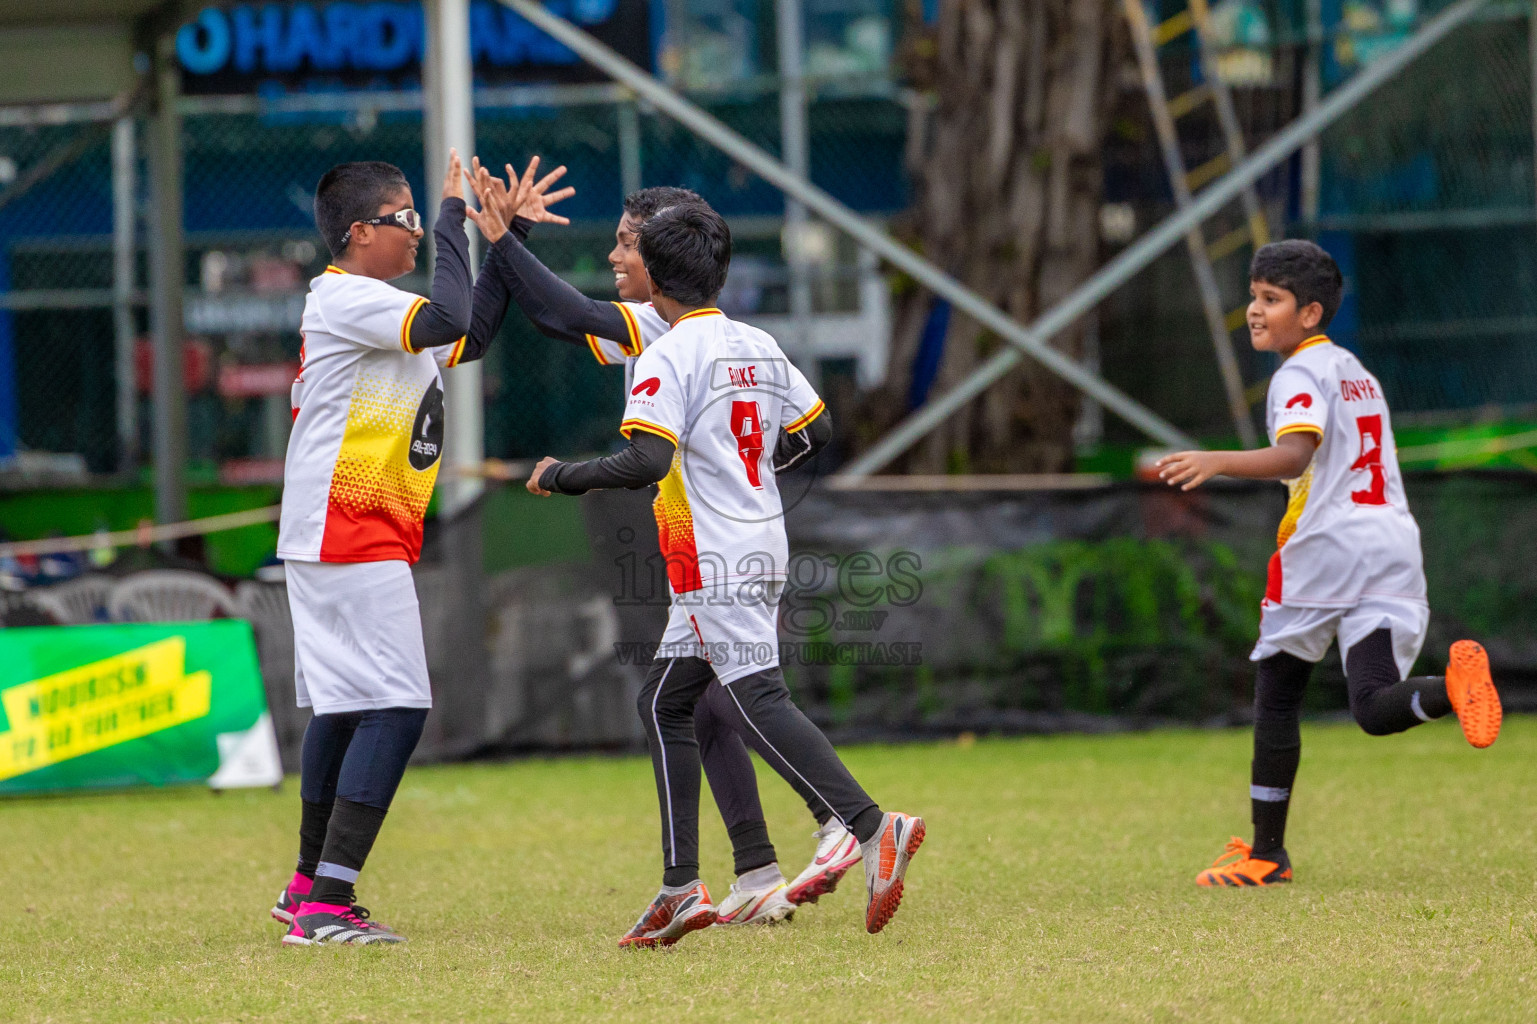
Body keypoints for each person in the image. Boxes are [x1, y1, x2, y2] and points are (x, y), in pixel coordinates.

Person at [523, 202, 924, 947]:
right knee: (668, 705)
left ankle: (869, 825)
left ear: (658, 278)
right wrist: (744, 478)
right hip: (756, 538)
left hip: (710, 553)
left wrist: (562, 476)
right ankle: (682, 887)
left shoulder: (669, 352)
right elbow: (815, 429)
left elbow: (647, 459)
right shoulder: (756, 341)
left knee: (753, 696)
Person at [471, 159, 858, 925]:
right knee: (692, 700)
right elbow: (810, 435)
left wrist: (502, 237)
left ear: (664, 256)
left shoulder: (667, 324)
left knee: (733, 696)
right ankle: (750, 871)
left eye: (626, 242)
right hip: (723, 535)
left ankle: (848, 822)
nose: (616, 256)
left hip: (715, 540)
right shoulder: (708, 327)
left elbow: (560, 312)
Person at [1155, 239, 1501, 887]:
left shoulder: (1295, 374)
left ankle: (1266, 855)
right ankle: (1449, 690)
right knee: (1371, 706)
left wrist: (1214, 461)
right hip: (1392, 543)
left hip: (1326, 548)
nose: (1253, 311)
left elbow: (1293, 457)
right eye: (1252, 296)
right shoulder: (1355, 370)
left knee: (1277, 693)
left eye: (1269, 299)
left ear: (1308, 314)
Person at [269, 151, 515, 944]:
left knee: (345, 708)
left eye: (417, 217)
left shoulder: (368, 307)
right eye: (404, 219)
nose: (414, 232)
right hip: (348, 527)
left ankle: (307, 885)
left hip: (343, 529)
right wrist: (450, 218)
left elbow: (466, 333)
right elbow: (444, 317)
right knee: (399, 705)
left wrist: (500, 239)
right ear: (358, 232)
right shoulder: (348, 298)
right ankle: (326, 905)